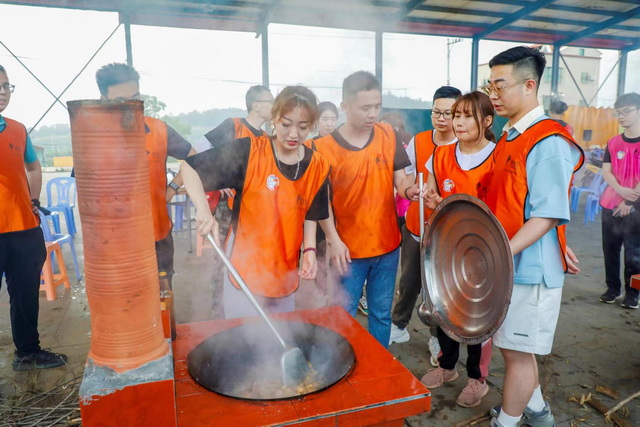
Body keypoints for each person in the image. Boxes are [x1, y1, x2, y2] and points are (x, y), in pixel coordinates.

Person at [481, 47, 584, 427]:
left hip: (530, 269)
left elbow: (547, 213)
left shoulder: (548, 140)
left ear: (529, 85)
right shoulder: (510, 136)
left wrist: (500, 253)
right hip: (513, 262)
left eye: (500, 85)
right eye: (490, 86)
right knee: (513, 347)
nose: (493, 94)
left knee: (519, 353)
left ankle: (506, 422)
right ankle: (537, 410)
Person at [181, 86, 331, 318]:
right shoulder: (249, 151)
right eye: (286, 124)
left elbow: (312, 211)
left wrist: (309, 249)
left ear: (311, 125)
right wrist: (203, 211)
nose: (293, 134)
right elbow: (190, 168)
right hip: (245, 263)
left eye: (303, 127)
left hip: (285, 265)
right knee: (243, 332)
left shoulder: (318, 166)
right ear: (274, 118)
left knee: (279, 328)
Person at [314, 71, 418, 348]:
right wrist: (333, 241)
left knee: (381, 315)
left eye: (377, 106)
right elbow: (321, 203)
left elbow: (400, 180)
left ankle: (379, 367)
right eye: (365, 108)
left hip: (387, 246)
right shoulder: (323, 148)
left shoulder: (388, 134)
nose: (373, 114)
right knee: (343, 315)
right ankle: (342, 365)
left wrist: (410, 191)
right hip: (347, 251)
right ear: (345, 106)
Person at [419, 91, 496, 408]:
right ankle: (447, 366)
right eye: (456, 116)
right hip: (447, 247)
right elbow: (433, 196)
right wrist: (432, 200)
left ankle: (477, 379)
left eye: (467, 116)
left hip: (484, 252)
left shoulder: (497, 157)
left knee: (479, 316)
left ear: (487, 121)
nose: (459, 122)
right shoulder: (440, 155)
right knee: (445, 309)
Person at [95, 63, 196, 284]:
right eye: (121, 100)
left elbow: (194, 158)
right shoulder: (93, 136)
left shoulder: (159, 130)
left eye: (136, 97)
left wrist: (173, 187)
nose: (131, 106)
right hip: (115, 243)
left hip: (158, 236)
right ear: (104, 100)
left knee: (163, 296)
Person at [0, 65, 67, 371]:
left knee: (26, 295)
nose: (3, 92)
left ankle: (27, 352)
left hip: (24, 229)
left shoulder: (17, 129)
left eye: (6, 86)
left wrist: (34, 201)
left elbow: (33, 166)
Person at [389, 86, 461, 350]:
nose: (441, 118)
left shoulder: (463, 144)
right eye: (436, 112)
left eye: (448, 113)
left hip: (447, 232)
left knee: (439, 288)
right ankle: (398, 326)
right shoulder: (419, 141)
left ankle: (436, 337)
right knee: (409, 281)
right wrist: (410, 189)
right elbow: (406, 175)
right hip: (416, 225)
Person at [598, 92, 640, 309]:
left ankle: (633, 294)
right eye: (618, 113)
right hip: (611, 203)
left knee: (635, 254)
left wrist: (630, 201)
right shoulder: (613, 142)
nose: (621, 116)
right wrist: (620, 190)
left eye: (626, 111)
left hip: (636, 206)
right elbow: (607, 171)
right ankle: (613, 289)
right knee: (610, 250)